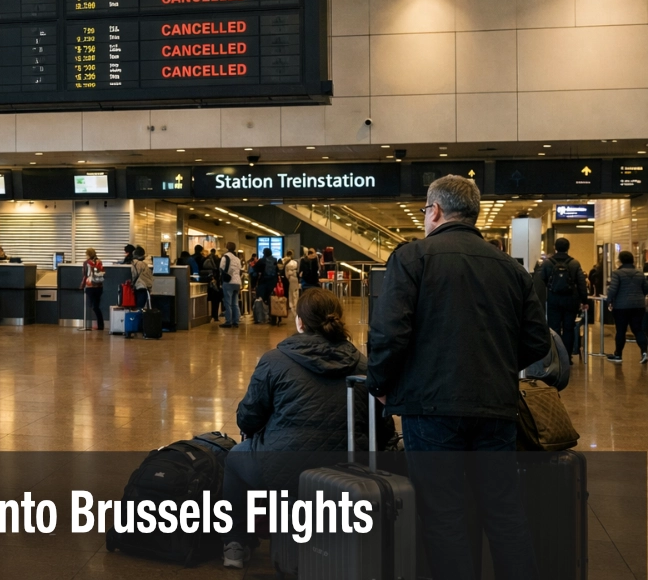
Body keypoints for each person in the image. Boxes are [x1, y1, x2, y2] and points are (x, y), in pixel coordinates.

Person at [367, 174, 550, 580]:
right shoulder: (511, 268)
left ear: (434, 210)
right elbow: (537, 342)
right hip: (496, 407)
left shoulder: (413, 258)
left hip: (430, 408)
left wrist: (380, 384)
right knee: (504, 511)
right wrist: (496, 364)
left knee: (443, 513)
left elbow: (388, 334)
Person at [221, 288, 391, 569]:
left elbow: (247, 419)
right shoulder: (364, 365)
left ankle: (236, 544)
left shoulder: (274, 360)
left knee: (235, 460)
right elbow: (382, 430)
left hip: (282, 470)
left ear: (300, 322)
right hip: (349, 473)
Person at [540, 237, 589, 358]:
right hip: (571, 300)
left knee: (554, 328)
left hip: (553, 299)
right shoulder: (574, 263)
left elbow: (542, 280)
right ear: (568, 248)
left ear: (555, 248)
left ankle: (556, 355)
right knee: (569, 328)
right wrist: (584, 300)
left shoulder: (547, 263)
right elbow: (581, 283)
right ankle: (567, 356)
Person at [604, 250, 648, 363]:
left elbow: (613, 289)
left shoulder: (617, 273)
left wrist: (609, 301)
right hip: (638, 306)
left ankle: (618, 355)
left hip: (621, 306)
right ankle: (644, 352)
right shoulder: (640, 273)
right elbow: (646, 289)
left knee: (621, 330)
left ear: (620, 260)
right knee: (638, 329)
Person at [253, 247, 280, 326]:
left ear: (264, 253)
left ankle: (262, 317)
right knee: (272, 300)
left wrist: (254, 283)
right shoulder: (275, 260)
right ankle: (273, 318)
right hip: (273, 283)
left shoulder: (262, 261)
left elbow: (255, 270)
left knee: (261, 299)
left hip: (263, 283)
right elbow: (277, 271)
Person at [219, 242, 242, 328]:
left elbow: (221, 268)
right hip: (237, 282)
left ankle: (228, 321)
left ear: (227, 247)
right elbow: (240, 270)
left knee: (227, 303)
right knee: (235, 303)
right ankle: (236, 321)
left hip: (228, 282)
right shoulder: (237, 259)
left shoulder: (225, 257)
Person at [81, 248, 105, 331]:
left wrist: (82, 285)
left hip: (90, 286)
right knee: (96, 307)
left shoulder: (86, 263)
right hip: (99, 286)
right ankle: (100, 325)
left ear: (88, 254)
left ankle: (87, 325)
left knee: (90, 306)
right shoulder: (99, 261)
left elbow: (85, 275)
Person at [202, 249, 222, 322]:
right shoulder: (218, 260)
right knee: (216, 300)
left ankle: (209, 316)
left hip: (208, 283)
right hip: (216, 284)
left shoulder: (205, 259)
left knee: (209, 299)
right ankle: (215, 316)